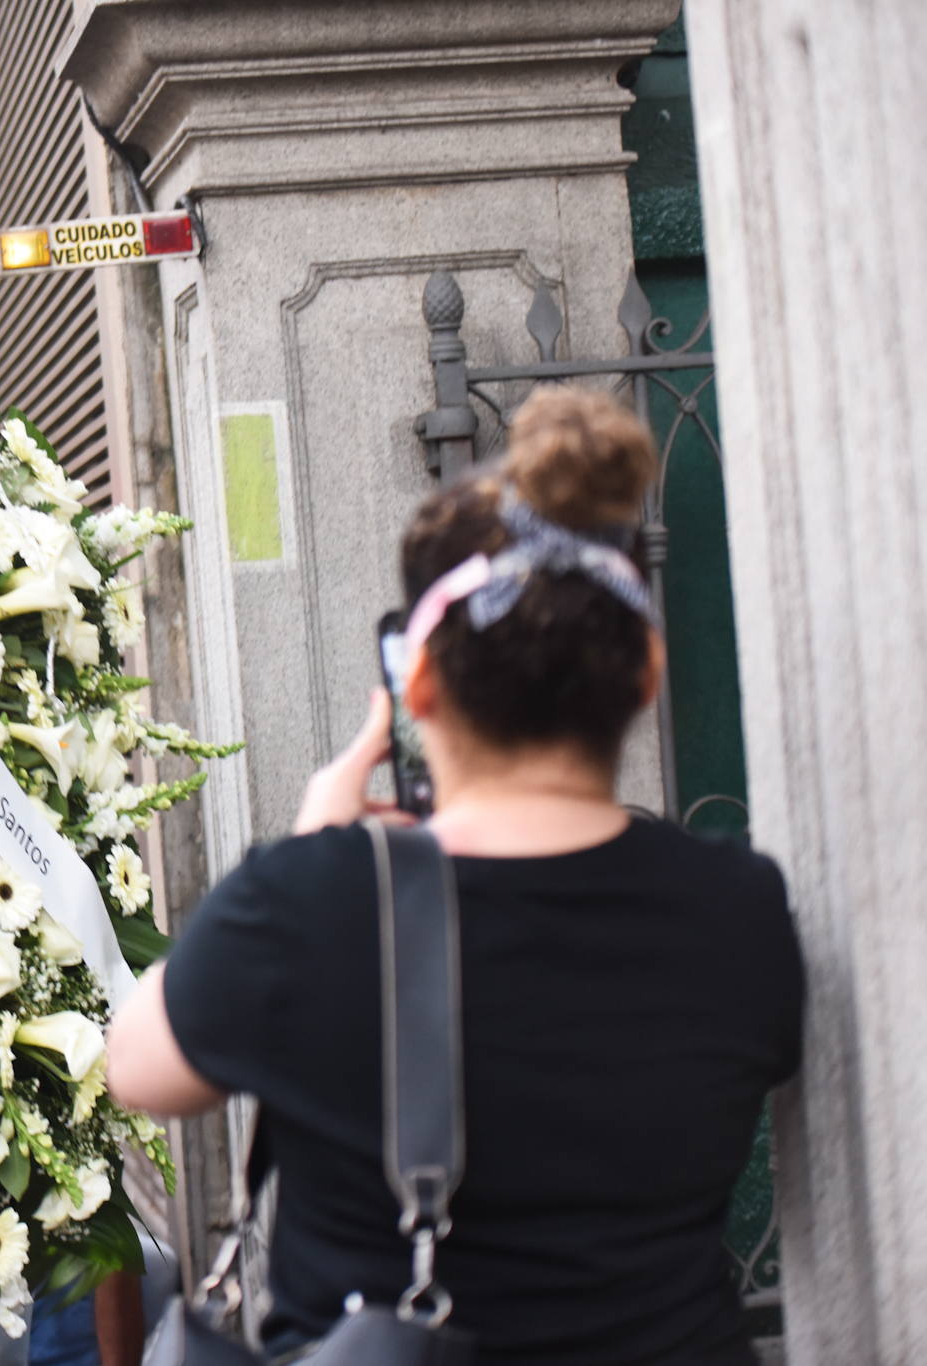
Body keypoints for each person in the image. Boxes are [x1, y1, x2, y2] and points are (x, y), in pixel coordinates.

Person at [106, 387, 804, 1365]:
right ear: (644, 670)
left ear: (415, 684)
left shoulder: (309, 901)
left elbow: (138, 1069)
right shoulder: (742, 912)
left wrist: (312, 846)